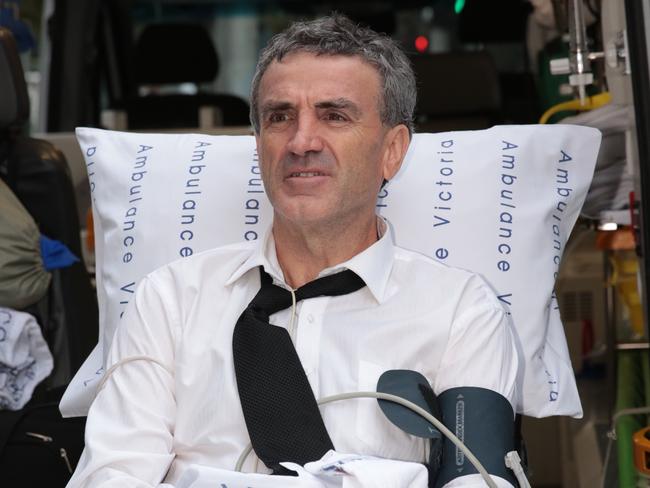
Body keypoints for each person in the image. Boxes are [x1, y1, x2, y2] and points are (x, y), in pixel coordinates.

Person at [67, 14, 519, 488]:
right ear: (259, 143)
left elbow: (477, 481)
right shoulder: (171, 300)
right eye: (279, 117)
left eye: (335, 115)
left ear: (393, 150)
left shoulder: (461, 311)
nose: (301, 142)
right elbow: (112, 475)